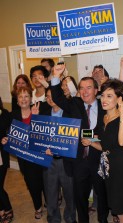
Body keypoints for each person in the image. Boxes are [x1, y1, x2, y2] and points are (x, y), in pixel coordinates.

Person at [51, 64, 109, 223]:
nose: (84, 91)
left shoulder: (106, 107)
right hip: (79, 161)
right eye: (81, 88)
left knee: (102, 196)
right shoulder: (74, 104)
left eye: (89, 88)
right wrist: (56, 76)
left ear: (96, 90)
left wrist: (96, 139)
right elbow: (57, 98)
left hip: (99, 160)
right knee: (80, 198)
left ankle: (103, 220)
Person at [82, 78, 123, 223]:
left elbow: (122, 142)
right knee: (116, 207)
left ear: (119, 99)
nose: (104, 99)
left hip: (121, 170)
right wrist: (90, 142)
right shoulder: (103, 117)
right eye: (103, 95)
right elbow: (104, 147)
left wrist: (122, 113)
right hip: (107, 169)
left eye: (109, 96)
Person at [2, 87, 45, 220]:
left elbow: (43, 132)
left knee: (43, 181)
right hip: (24, 157)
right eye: (21, 97)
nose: (24, 99)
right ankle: (38, 206)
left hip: (39, 154)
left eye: (26, 96)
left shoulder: (37, 110)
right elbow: (7, 132)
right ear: (17, 99)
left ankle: (49, 201)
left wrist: (36, 116)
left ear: (31, 98)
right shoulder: (12, 115)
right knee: (31, 182)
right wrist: (5, 139)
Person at [39, 87, 76, 223]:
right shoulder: (42, 114)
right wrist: (44, 149)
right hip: (49, 160)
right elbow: (38, 139)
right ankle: (53, 218)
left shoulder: (69, 113)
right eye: (47, 97)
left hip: (66, 161)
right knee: (51, 192)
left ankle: (70, 217)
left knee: (70, 192)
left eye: (53, 96)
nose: (50, 99)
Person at [0, 97, 13, 223]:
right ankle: (2, 210)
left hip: (0, 156)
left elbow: (12, 132)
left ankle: (7, 208)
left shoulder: (4, 114)